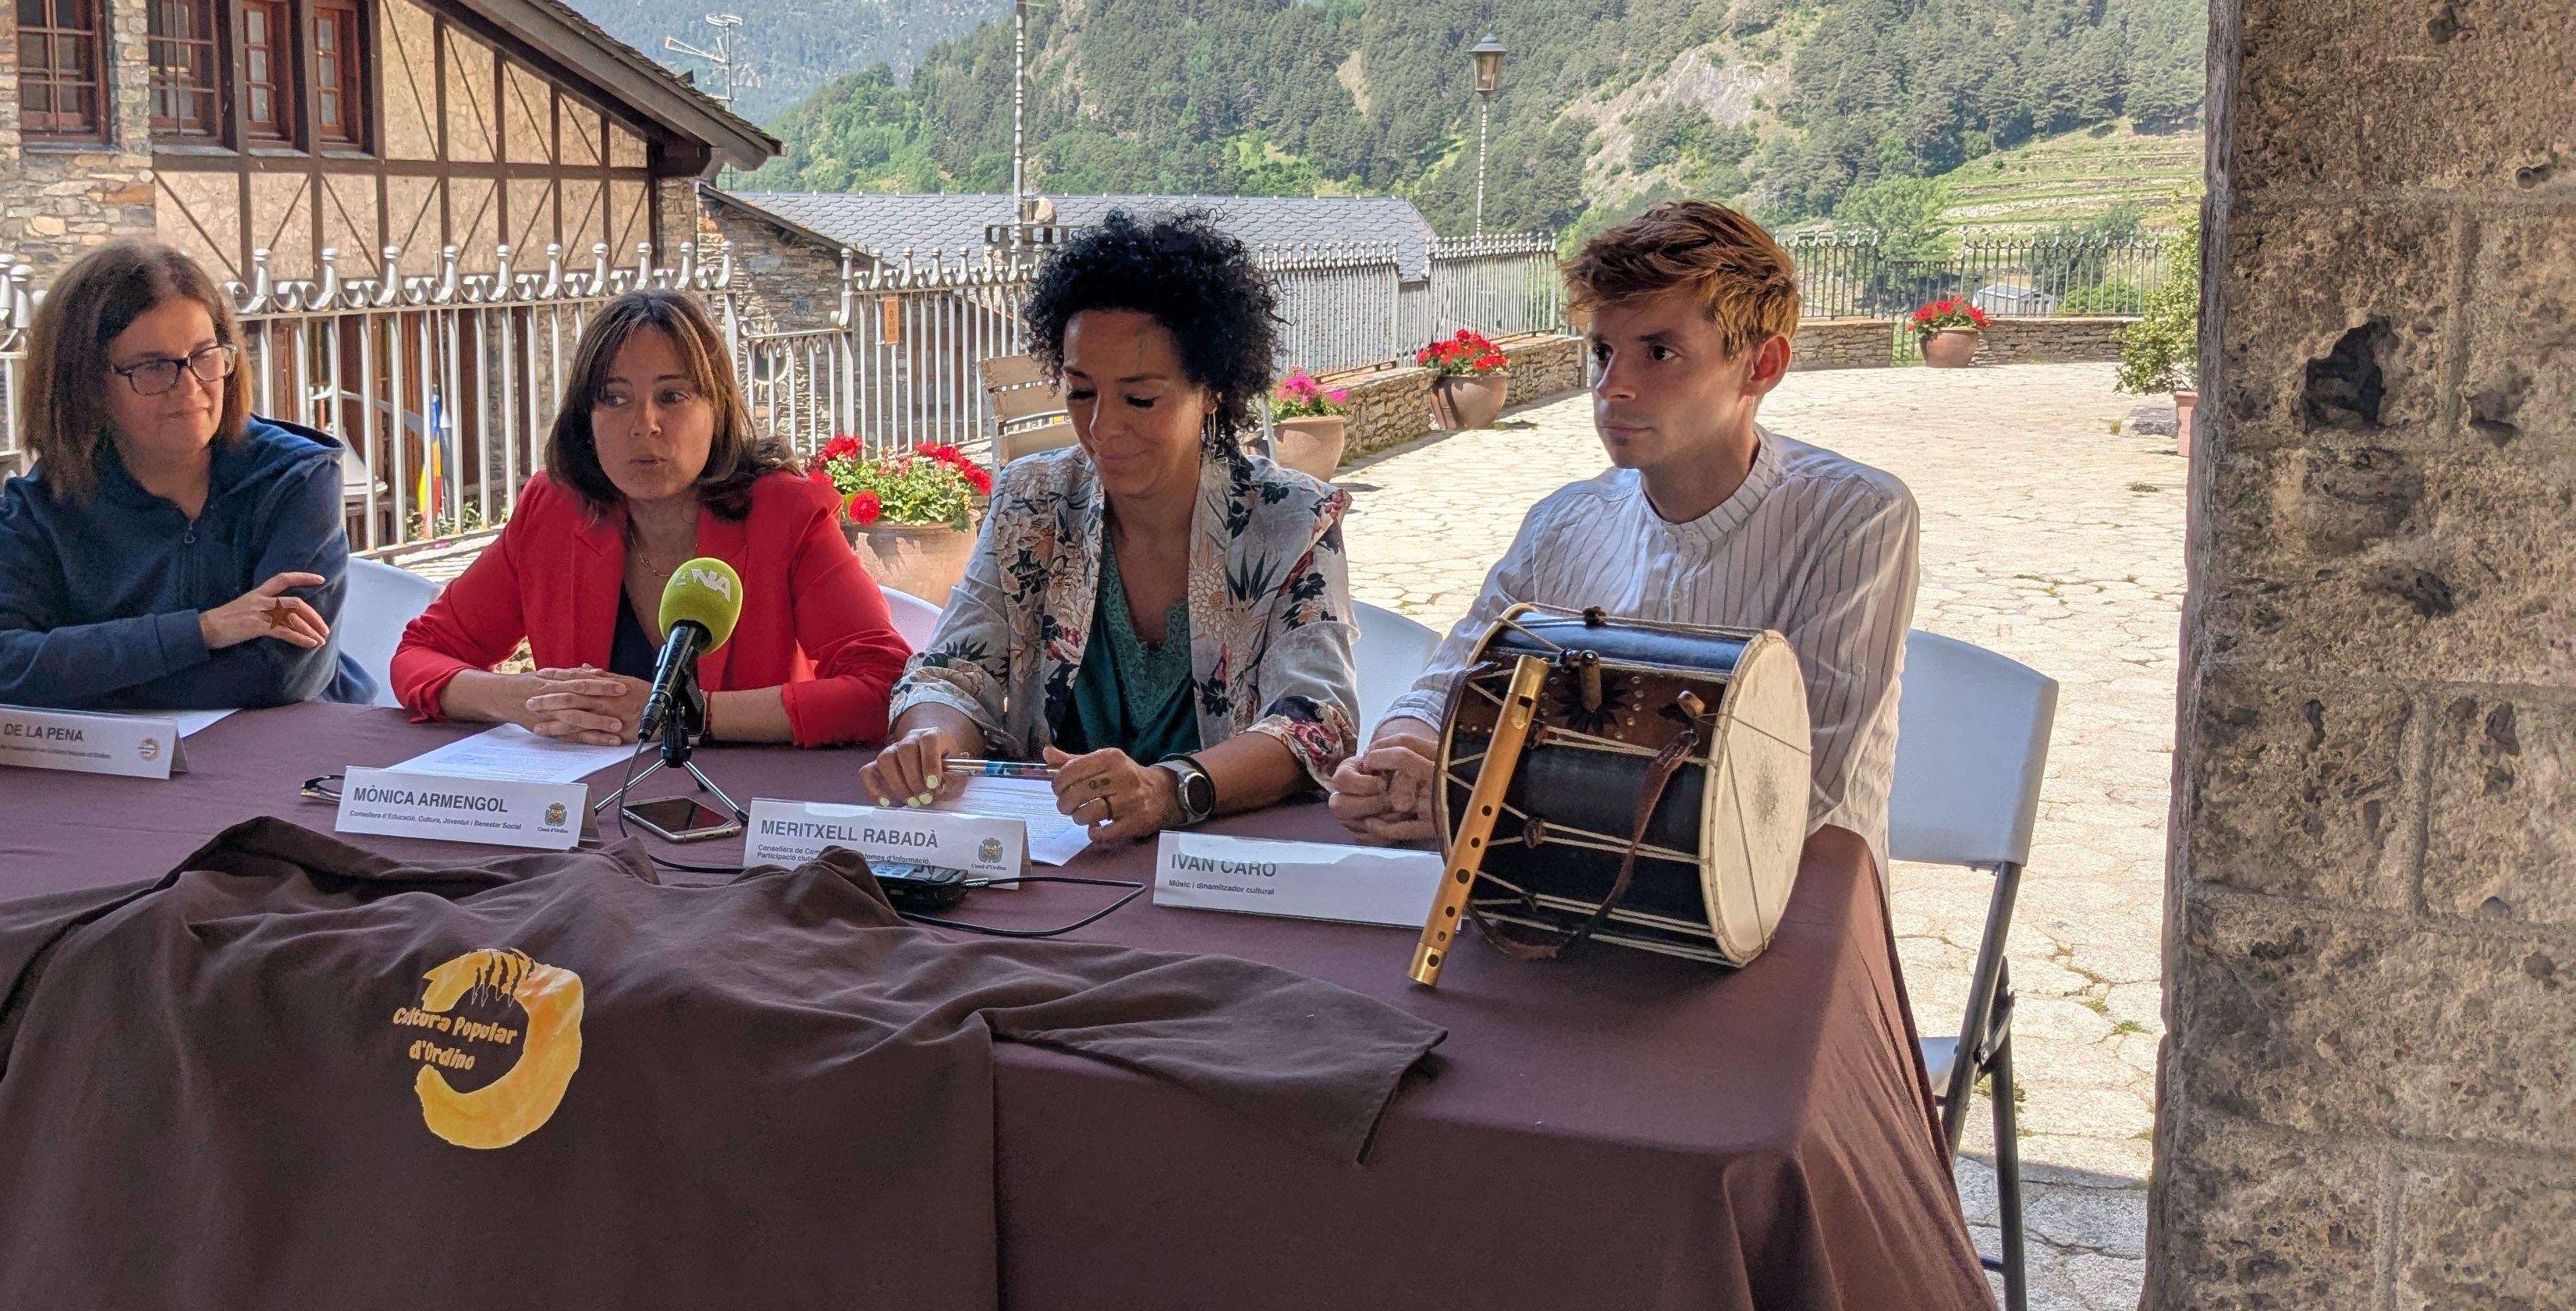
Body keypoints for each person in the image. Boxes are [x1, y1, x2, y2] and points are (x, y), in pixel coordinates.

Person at [1329, 200, 1920, 854]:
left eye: (1660, 353)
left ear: (1762, 366)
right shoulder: (1564, 523)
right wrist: (1399, 755)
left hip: (1788, 918)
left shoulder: (1855, 517)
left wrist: (1490, 807)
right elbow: (1446, 689)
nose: (1613, 386)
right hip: (1556, 901)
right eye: (1602, 351)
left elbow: (1794, 795)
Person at [864, 209, 1360, 849]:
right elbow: (952, 672)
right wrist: (929, 738)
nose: (1102, 428)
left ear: (1209, 389)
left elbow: (1316, 723)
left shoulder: (1290, 521)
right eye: (1079, 392)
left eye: (1141, 399)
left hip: (1224, 868)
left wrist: (1171, 788)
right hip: (1054, 865)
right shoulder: (1032, 502)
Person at [389, 290, 910, 748]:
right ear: (586, 421)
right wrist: (518, 698)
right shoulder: (553, 510)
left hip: (744, 817)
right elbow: (420, 655)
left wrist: (688, 713)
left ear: (718, 409)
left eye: (672, 396)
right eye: (614, 399)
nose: (645, 425)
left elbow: (884, 687)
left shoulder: (788, 515)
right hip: (589, 818)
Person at [0, 238, 371, 723]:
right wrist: (201, 631)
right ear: (86, 385)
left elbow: (284, 675)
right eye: (153, 367)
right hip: (111, 774)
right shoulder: (44, 502)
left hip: (291, 764)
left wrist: (70, 677)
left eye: (205, 355)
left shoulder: (296, 478)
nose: (191, 388)